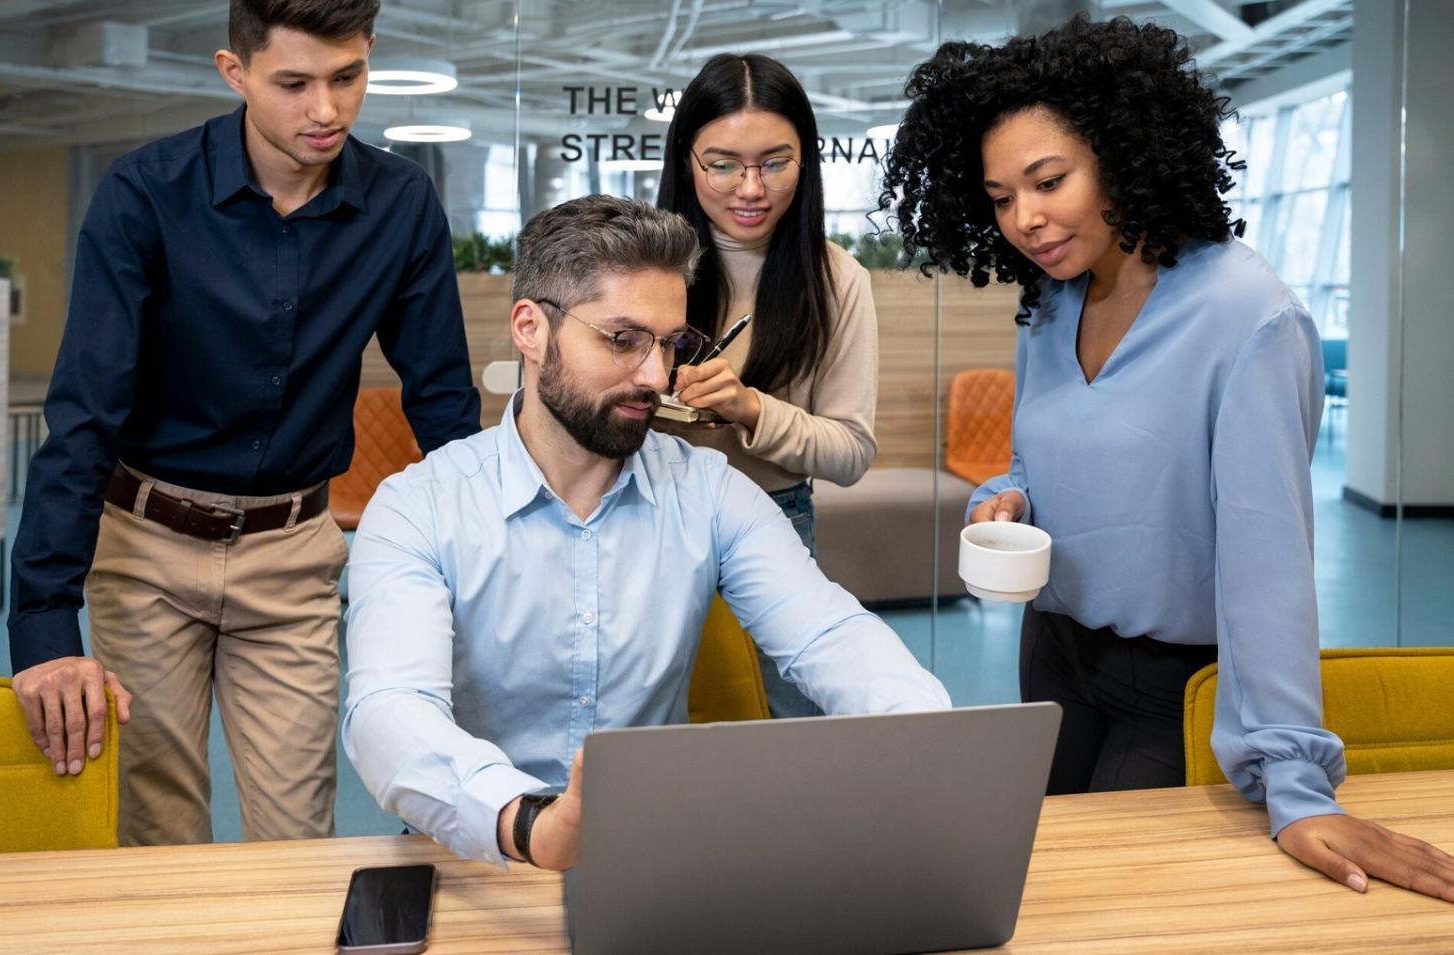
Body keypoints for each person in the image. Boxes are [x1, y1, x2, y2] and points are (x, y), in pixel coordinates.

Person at [879, 13, 1454, 902]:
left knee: (1116, 905)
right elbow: (1040, 461)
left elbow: (1267, 567)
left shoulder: (1246, 316)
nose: (1024, 219)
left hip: (1170, 683)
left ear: (1122, 152)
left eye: (1048, 180)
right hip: (1053, 654)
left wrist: (1294, 787)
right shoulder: (1050, 302)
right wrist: (1007, 498)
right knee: (1026, 892)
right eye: (999, 197)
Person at [341, 195, 950, 869]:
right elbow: (389, 712)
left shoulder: (709, 492)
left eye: (670, 344)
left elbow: (830, 634)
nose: (656, 377)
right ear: (530, 329)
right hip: (477, 857)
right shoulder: (419, 507)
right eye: (622, 339)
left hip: (646, 863)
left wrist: (931, 738)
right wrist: (529, 823)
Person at [6, 0, 481, 846]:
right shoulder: (145, 195)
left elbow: (441, 400)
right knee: (157, 834)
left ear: (369, 53)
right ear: (236, 72)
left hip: (292, 553)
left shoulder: (400, 204)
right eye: (293, 83)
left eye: (347, 77)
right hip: (146, 547)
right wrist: (43, 622)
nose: (326, 110)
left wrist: (492, 563)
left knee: (298, 836)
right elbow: (85, 413)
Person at [656, 53, 881, 718]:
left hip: (773, 520)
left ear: (805, 160)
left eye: (774, 162)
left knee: (788, 728)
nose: (750, 187)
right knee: (647, 724)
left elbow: (850, 452)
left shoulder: (836, 279)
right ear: (685, 160)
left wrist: (748, 408)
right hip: (644, 514)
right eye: (721, 163)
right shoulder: (637, 262)